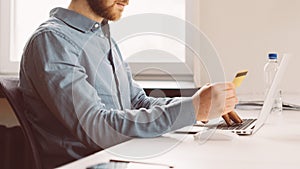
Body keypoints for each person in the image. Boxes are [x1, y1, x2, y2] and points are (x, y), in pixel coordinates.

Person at [19, 0, 242, 168]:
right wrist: (191, 109)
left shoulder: (103, 38)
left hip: (123, 157)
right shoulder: (52, 41)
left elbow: (138, 102)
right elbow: (97, 128)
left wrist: (199, 106)